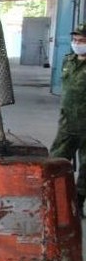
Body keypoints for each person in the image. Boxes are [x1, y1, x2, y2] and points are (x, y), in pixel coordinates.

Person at [51, 22, 86, 213]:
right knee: (56, 161)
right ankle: (55, 199)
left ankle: (78, 203)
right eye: (75, 40)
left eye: (81, 40)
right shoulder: (68, 60)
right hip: (67, 122)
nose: (77, 43)